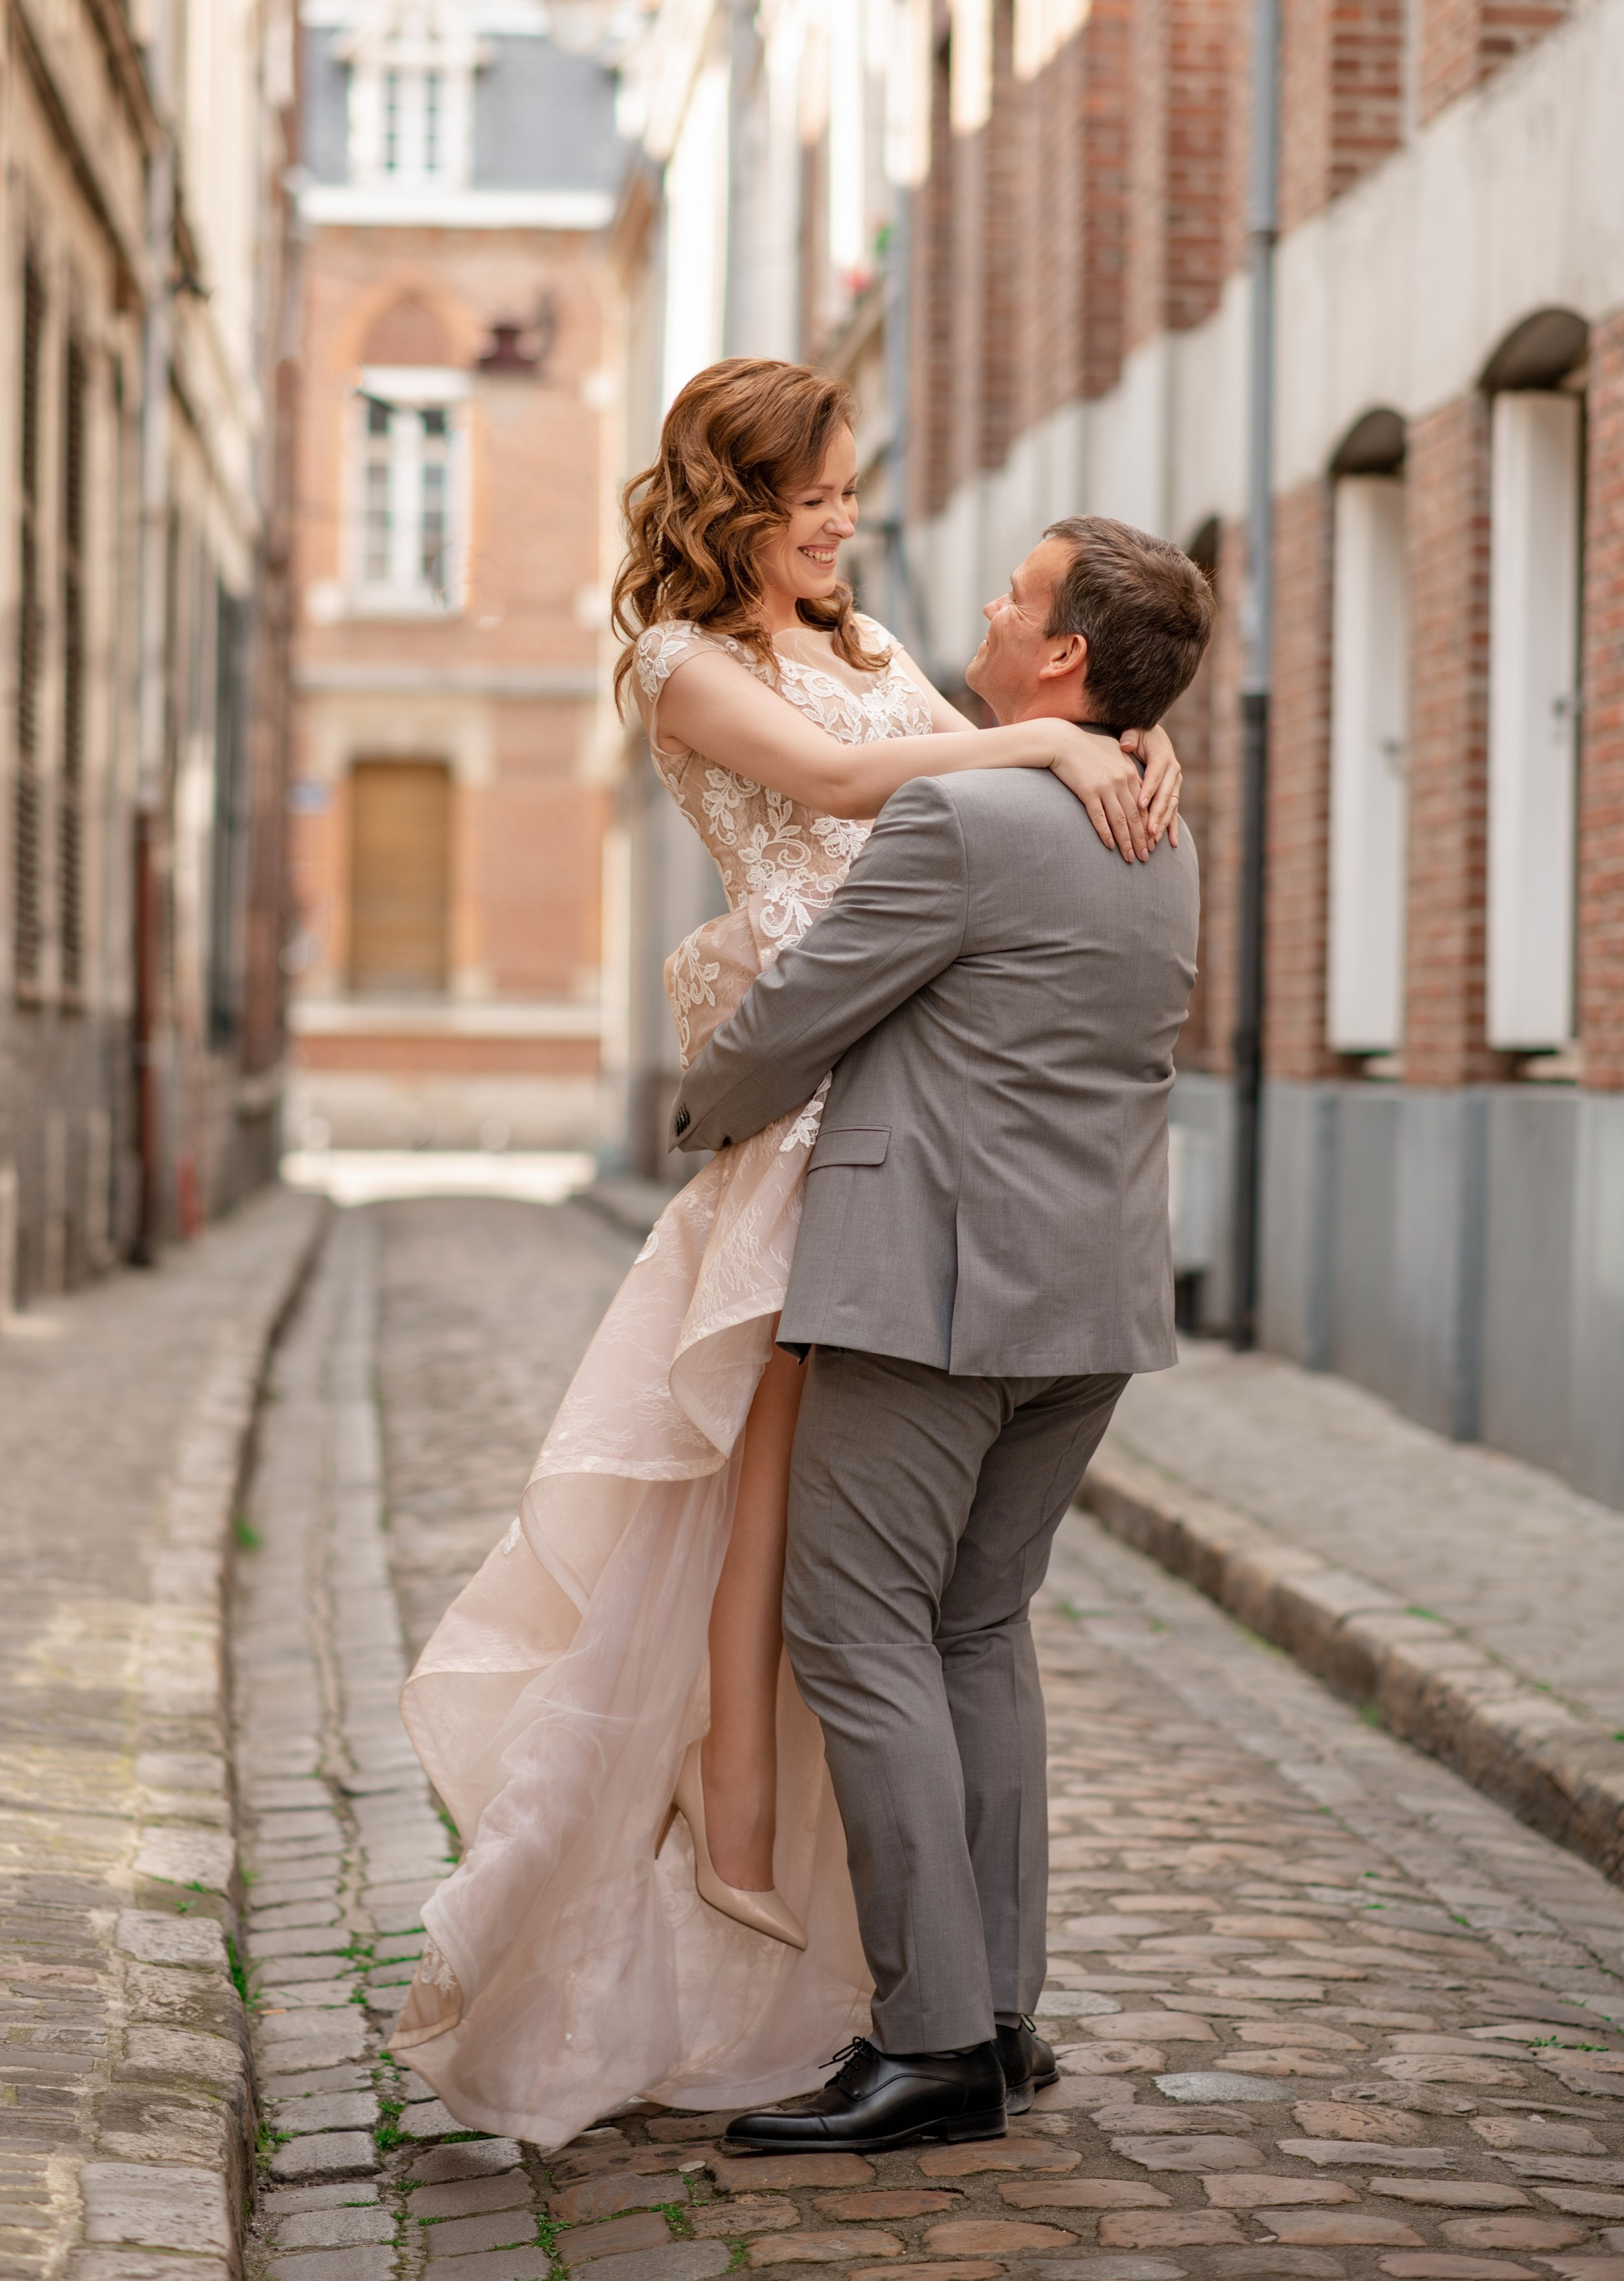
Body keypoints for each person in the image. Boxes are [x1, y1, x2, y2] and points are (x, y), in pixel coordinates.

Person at [388, 358, 1185, 2147]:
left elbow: (955, 768)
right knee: (752, 1520)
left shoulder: (876, 640)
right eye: (815, 495)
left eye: (849, 490)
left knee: (852, 1574)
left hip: (898, 1117)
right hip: (815, 1113)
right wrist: (1056, 735)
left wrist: (1127, 733)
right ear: (731, 500)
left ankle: (876, 1952)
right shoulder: (686, 666)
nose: (844, 522)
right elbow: (841, 782)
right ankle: (748, 1842)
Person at [670, 510, 1213, 2153]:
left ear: (1060, 658)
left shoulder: (972, 821)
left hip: (932, 1288)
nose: (981, 608)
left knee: (855, 1634)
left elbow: (799, 1016)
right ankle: (994, 2016)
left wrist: (696, 1107)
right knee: (977, 1634)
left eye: (1014, 593)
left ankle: (927, 2047)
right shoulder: (1155, 822)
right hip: (1091, 1298)